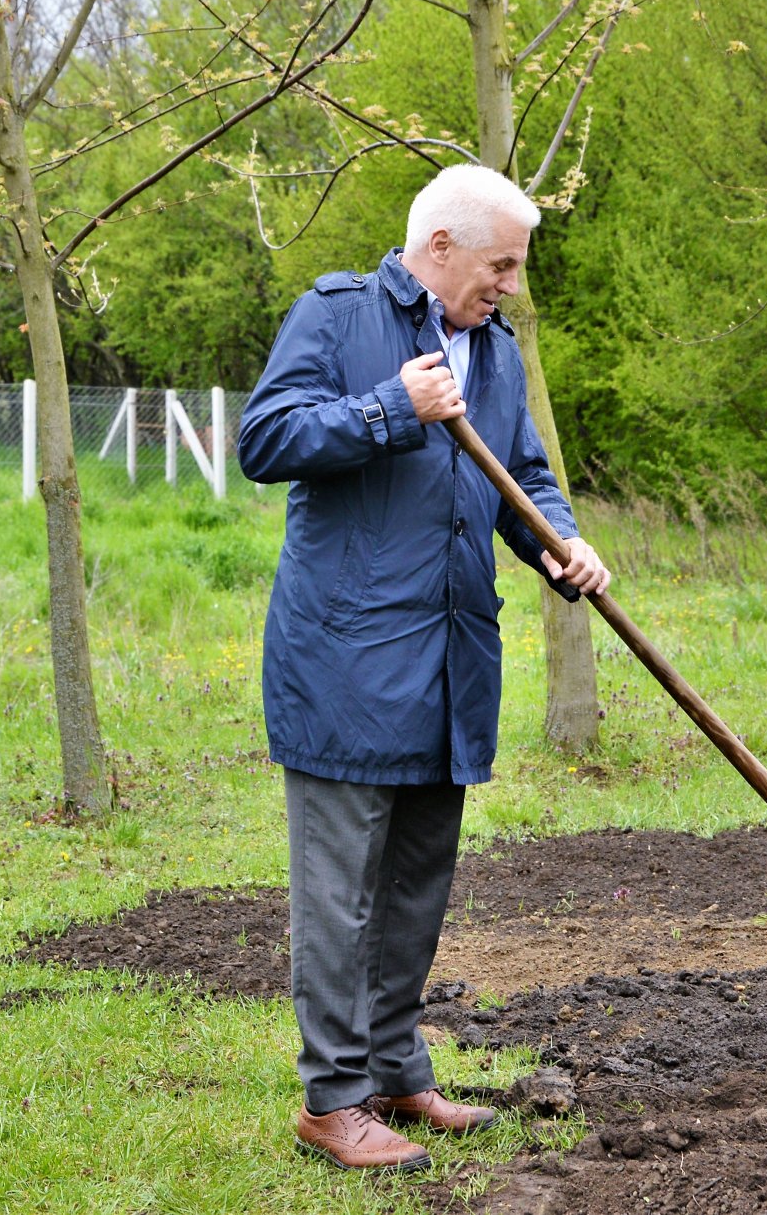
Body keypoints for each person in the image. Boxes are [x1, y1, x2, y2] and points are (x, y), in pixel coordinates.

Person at [239, 164, 611, 1172]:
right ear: (441, 246)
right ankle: (331, 1100)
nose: (511, 286)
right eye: (502, 264)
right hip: (346, 668)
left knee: (413, 887)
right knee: (341, 894)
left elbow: (522, 476)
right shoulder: (339, 317)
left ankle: (397, 1070)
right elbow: (264, 439)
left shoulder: (493, 352)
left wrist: (558, 547)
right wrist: (387, 409)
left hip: (448, 667)